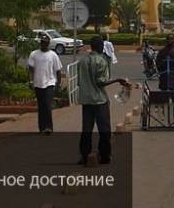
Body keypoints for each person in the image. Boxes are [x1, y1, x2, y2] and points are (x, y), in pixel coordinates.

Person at [75, 36, 130, 166]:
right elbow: (101, 82)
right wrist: (117, 80)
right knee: (104, 129)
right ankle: (105, 155)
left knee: (86, 130)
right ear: (100, 47)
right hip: (99, 100)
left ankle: (84, 155)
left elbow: (79, 82)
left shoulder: (82, 61)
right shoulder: (101, 61)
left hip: (86, 100)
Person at [28, 34, 63, 134]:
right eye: (42, 42)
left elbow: (58, 70)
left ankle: (49, 127)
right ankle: (42, 127)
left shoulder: (53, 55)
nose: (44, 44)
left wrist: (58, 84)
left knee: (47, 105)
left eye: (45, 43)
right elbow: (31, 69)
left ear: (48, 44)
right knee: (41, 106)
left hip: (50, 83)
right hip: (38, 83)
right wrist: (30, 81)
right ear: (40, 43)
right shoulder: (34, 54)